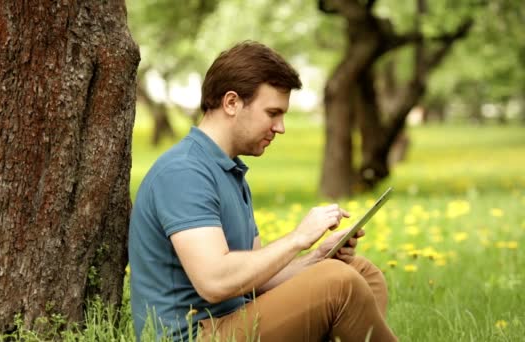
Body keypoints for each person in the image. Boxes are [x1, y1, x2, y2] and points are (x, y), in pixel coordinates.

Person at [128, 41, 397, 342]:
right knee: (339, 281)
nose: (280, 127)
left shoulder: (229, 171)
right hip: (198, 334)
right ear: (231, 103)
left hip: (235, 318)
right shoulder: (184, 172)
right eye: (272, 113)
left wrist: (317, 256)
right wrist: (298, 238)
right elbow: (214, 281)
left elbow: (257, 278)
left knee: (359, 272)